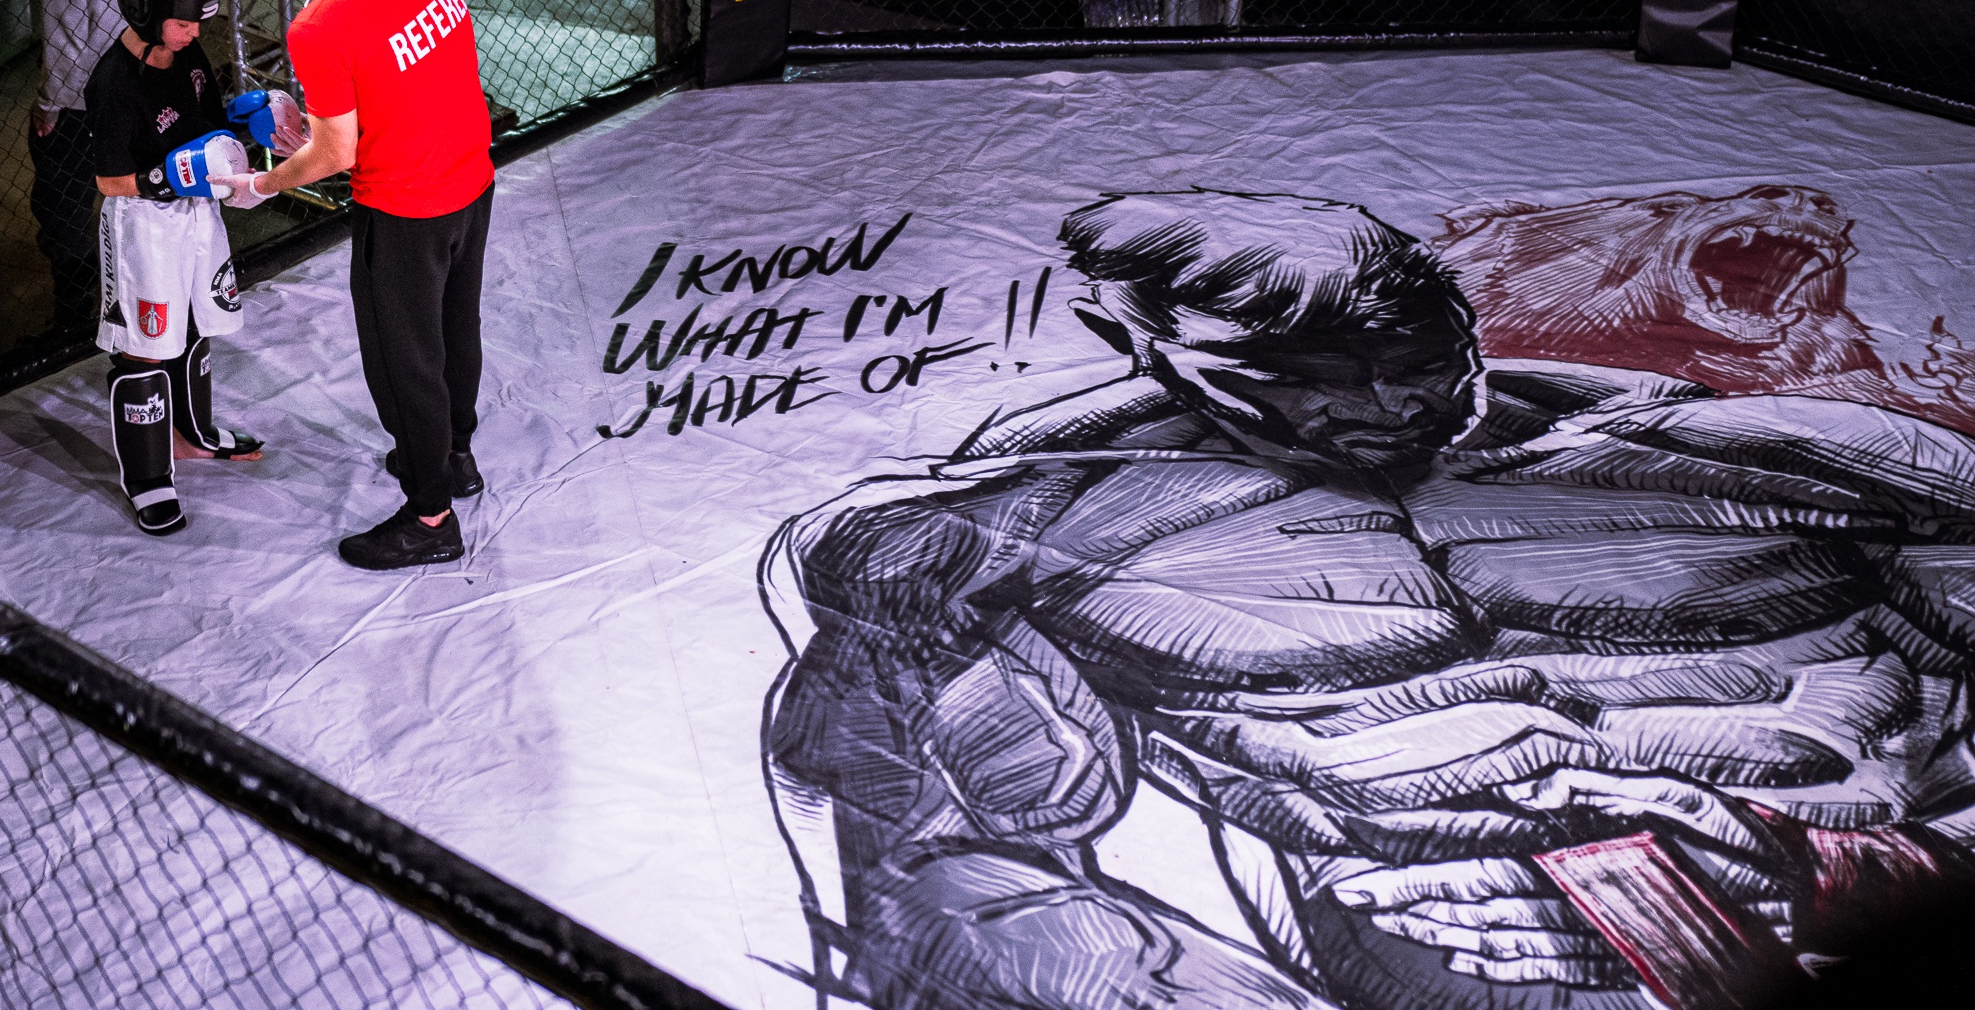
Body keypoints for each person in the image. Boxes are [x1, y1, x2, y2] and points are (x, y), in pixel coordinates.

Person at [762, 189, 1975, 1010]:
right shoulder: (989, 543)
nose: (1391, 410)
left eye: (1423, 364)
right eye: (1307, 378)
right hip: (1473, 963)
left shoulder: (1797, 468)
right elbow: (941, 874)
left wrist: (1893, 873)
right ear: (1126, 341)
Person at [217, 0, 495, 572]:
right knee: (456, 327)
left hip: (405, 208)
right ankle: (455, 456)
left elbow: (337, 153)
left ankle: (431, 518)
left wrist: (264, 183)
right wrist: (312, 135)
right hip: (471, 181)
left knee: (404, 362)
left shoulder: (319, 26)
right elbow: (412, 81)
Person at [87, 0, 268, 535]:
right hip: (141, 222)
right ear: (144, 10)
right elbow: (109, 180)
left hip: (196, 212)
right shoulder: (112, 82)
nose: (194, 33)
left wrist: (248, 119)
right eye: (184, 23)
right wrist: (163, 177)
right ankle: (146, 478)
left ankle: (190, 437)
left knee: (197, 318)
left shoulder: (189, 58)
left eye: (197, 23)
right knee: (146, 344)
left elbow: (208, 126)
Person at [0, 0, 141, 335]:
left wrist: (48, 105)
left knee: (62, 207)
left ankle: (74, 320)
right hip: (129, 68)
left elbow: (64, 30)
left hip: (83, 90)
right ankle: (130, 298)